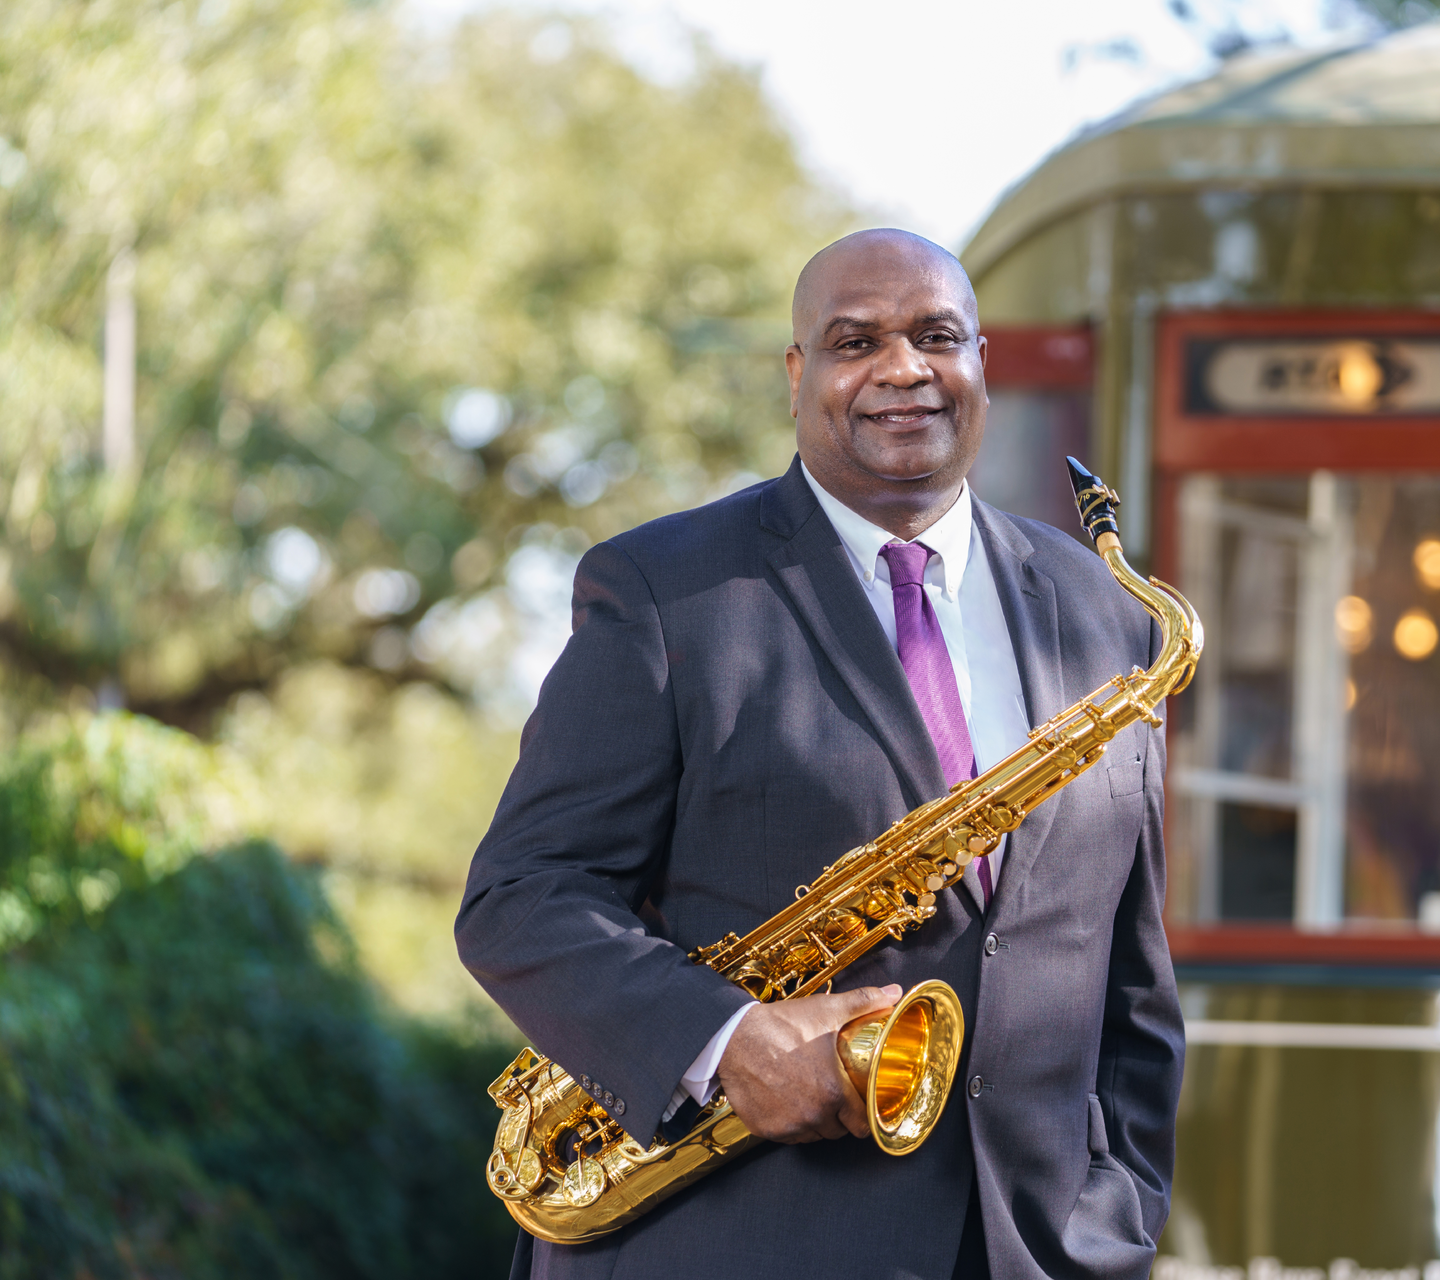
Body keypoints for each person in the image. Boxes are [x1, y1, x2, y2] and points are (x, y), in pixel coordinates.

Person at [456, 228, 1182, 1280]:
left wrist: (1121, 1214)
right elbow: (521, 896)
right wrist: (726, 1038)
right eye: (855, 341)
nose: (903, 369)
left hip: (1035, 1253)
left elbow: (1131, 976)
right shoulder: (665, 591)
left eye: (938, 335)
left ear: (983, 362)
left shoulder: (1097, 604)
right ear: (798, 376)